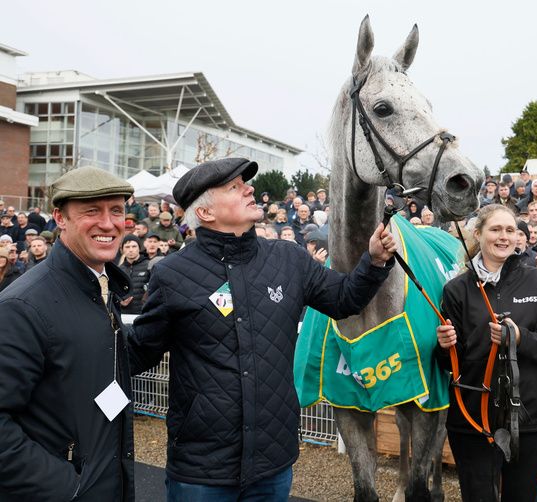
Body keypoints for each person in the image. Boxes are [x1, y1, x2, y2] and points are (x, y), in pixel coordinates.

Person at [126, 158, 397, 499]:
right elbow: (139, 349)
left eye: (246, 183)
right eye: (234, 187)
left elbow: (343, 299)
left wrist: (373, 262)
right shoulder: (172, 274)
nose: (250, 189)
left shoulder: (289, 258)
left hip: (272, 463)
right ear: (206, 213)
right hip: (201, 469)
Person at [0, 167, 136, 500]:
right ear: (60, 218)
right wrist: (69, 488)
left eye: (116, 210)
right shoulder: (22, 305)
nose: (108, 223)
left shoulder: (101, 287)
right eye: (92, 211)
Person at [434, 204, 537, 501]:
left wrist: (520, 338)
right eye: (495, 229)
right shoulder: (456, 289)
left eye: (510, 230)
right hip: (472, 419)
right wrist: (445, 345)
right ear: (478, 234)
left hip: (530, 420)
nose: (504, 237)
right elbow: (450, 362)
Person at [118, 234, 150, 315]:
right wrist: (119, 301)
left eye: (134, 246)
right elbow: (113, 292)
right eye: (127, 247)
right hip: (124, 314)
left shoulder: (149, 266)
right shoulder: (119, 269)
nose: (131, 250)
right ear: (122, 250)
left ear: (139, 248)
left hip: (144, 313)